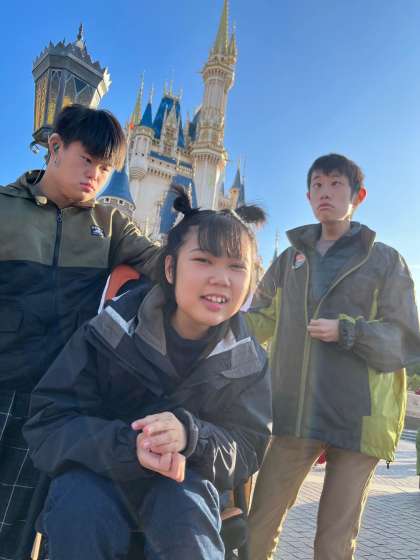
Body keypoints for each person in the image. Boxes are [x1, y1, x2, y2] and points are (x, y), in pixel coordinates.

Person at [23, 187, 272, 560]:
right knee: (82, 514)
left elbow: (248, 446)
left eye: (237, 267)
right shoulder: (108, 333)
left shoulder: (247, 359)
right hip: (98, 470)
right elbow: (49, 420)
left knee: (186, 523)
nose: (221, 278)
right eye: (203, 260)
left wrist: (191, 435)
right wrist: (130, 446)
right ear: (170, 269)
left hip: (186, 481)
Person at [0, 103, 160, 559]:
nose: (95, 175)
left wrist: (214, 259)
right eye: (87, 159)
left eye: (106, 168)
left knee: (15, 528)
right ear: (55, 146)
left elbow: (166, 265)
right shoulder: (5, 208)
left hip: (49, 400)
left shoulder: (109, 225)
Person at [246, 153, 420, 560]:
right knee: (258, 526)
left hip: (359, 419)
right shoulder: (288, 260)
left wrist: (348, 332)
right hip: (296, 413)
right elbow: (259, 319)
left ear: (358, 195)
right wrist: (204, 323)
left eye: (336, 184)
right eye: (318, 185)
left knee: (334, 542)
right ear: (308, 197)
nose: (325, 192)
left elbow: (405, 340)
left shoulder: (385, 260)